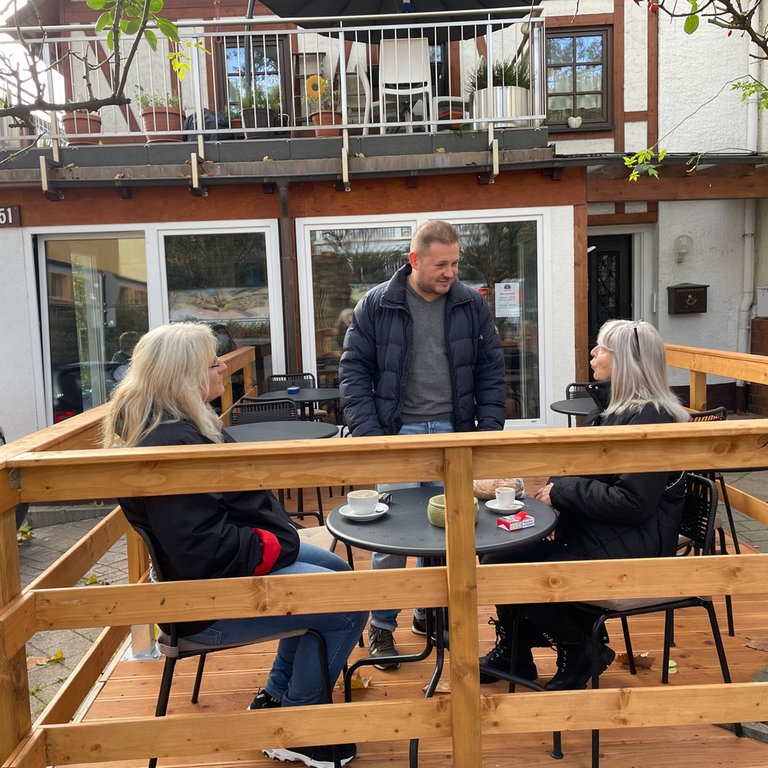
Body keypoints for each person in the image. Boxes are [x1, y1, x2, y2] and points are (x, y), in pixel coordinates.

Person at [102, 322, 367, 768]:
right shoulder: (170, 446)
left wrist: (276, 539)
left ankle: (276, 697)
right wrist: (276, 543)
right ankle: (299, 730)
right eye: (212, 362)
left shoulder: (175, 424)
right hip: (205, 602)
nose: (224, 365)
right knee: (348, 604)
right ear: (183, 376)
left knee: (338, 573)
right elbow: (203, 550)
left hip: (213, 575)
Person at [479, 319, 691, 691]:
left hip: (634, 545)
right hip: (603, 531)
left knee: (512, 567)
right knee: (500, 555)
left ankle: (581, 649)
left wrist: (561, 494)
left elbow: (634, 504)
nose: (593, 354)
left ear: (627, 361)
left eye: (602, 348)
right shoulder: (612, 410)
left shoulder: (650, 418)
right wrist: (555, 490)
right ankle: (517, 653)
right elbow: (575, 470)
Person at [339, 219, 506, 670]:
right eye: (440, 264)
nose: (450, 272)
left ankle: (430, 615)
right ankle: (381, 625)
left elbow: (492, 371)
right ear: (414, 260)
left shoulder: (471, 304)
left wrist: (486, 434)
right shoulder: (377, 304)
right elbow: (353, 372)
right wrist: (372, 439)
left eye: (454, 262)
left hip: (454, 433)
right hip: (398, 435)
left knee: (450, 533)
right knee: (390, 538)